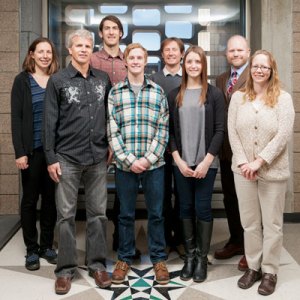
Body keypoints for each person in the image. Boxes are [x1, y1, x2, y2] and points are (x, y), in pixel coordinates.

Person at [43, 29, 112, 295]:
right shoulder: (58, 81)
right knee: (66, 217)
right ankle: (65, 271)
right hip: (67, 158)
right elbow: (49, 122)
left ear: (92, 50)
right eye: (78, 45)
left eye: (88, 45)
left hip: (97, 157)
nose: (83, 49)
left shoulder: (103, 79)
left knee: (98, 215)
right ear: (69, 50)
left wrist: (111, 146)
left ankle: (96, 265)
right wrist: (51, 158)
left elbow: (109, 116)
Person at [228, 50, 295, 296]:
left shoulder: (283, 99)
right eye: (255, 66)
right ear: (250, 68)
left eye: (264, 67)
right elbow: (232, 133)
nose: (259, 70)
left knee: (273, 224)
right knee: (250, 224)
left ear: (271, 70)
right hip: (242, 172)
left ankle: (270, 271)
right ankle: (253, 267)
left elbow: (283, 135)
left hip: (272, 172)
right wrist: (245, 162)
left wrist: (259, 161)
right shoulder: (238, 98)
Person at [107, 43, 170, 285]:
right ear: (125, 61)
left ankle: (158, 258)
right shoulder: (115, 92)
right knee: (125, 215)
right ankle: (124, 258)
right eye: (131, 57)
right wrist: (130, 160)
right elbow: (112, 131)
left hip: (154, 166)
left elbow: (163, 130)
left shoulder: (157, 92)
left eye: (139, 58)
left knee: (156, 214)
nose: (135, 61)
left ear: (145, 62)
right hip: (125, 166)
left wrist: (147, 159)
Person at [168, 46, 225, 282]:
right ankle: (189, 257)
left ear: (203, 65)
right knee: (184, 209)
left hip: (206, 165)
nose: (193, 66)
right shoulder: (174, 95)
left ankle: (202, 259)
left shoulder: (213, 94)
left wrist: (207, 161)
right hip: (181, 164)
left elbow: (220, 130)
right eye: (189, 61)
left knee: (202, 209)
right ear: (184, 64)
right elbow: (169, 132)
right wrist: (178, 160)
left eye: (197, 62)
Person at [90, 15, 141, 258]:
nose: (111, 32)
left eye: (115, 28)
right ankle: (96, 246)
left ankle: (122, 241)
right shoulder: (91, 60)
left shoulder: (128, 60)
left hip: (124, 135)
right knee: (97, 191)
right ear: (101, 34)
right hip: (96, 132)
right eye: (106, 28)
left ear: (121, 33)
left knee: (124, 192)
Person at [11, 37, 59, 271]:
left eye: (48, 52)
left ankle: (46, 245)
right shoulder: (22, 81)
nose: (45, 56)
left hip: (53, 152)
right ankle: (31, 249)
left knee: (50, 201)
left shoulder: (57, 80)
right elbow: (16, 119)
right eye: (40, 52)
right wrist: (20, 152)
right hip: (31, 152)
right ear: (31, 54)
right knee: (30, 201)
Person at [214, 35, 250, 271]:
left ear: (248, 51)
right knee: (230, 199)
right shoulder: (221, 79)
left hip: (248, 153)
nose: (235, 54)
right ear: (226, 54)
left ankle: (251, 247)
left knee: (250, 201)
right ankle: (236, 241)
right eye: (231, 51)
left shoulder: (255, 74)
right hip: (226, 151)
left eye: (240, 50)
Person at [150, 37, 184, 256]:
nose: (171, 53)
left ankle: (180, 239)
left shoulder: (189, 78)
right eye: (167, 50)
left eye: (175, 50)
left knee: (182, 195)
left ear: (182, 54)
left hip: (183, 147)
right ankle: (162, 240)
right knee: (160, 195)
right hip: (159, 147)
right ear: (162, 54)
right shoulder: (154, 79)